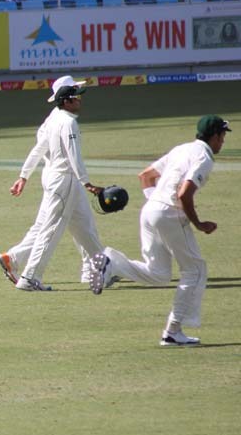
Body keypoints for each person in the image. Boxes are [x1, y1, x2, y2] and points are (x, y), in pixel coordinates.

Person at [89, 116, 230, 346]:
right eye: (222, 137)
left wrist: (155, 205)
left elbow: (145, 176)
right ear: (214, 136)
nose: (222, 142)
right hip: (168, 214)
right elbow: (184, 194)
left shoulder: (182, 149)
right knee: (195, 270)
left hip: (150, 210)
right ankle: (173, 331)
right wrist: (199, 224)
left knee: (159, 274)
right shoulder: (204, 157)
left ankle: (112, 263)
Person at [0, 76, 106, 291]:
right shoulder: (67, 121)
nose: (80, 100)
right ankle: (30, 277)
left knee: (83, 225)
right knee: (50, 230)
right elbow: (74, 156)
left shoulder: (55, 118)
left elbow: (39, 148)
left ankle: (99, 268)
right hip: (64, 180)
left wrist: (24, 175)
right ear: (65, 99)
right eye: (75, 95)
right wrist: (88, 183)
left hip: (57, 178)